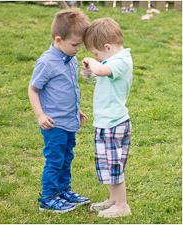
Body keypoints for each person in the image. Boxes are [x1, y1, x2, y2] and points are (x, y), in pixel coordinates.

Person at [26, 8, 90, 213]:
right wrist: (40, 115)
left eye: (80, 44)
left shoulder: (70, 58)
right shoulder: (47, 62)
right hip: (53, 124)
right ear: (58, 39)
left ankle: (63, 190)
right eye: (75, 44)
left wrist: (76, 110)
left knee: (66, 157)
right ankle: (48, 198)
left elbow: (70, 89)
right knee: (55, 160)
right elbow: (33, 89)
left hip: (69, 120)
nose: (78, 49)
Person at [80, 17, 133, 218]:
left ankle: (122, 206)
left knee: (114, 165)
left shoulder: (122, 61)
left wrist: (94, 63)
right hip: (106, 122)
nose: (95, 57)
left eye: (95, 53)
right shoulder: (113, 61)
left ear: (108, 47)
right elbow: (100, 77)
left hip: (114, 123)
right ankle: (113, 200)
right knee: (109, 165)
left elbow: (101, 69)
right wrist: (89, 71)